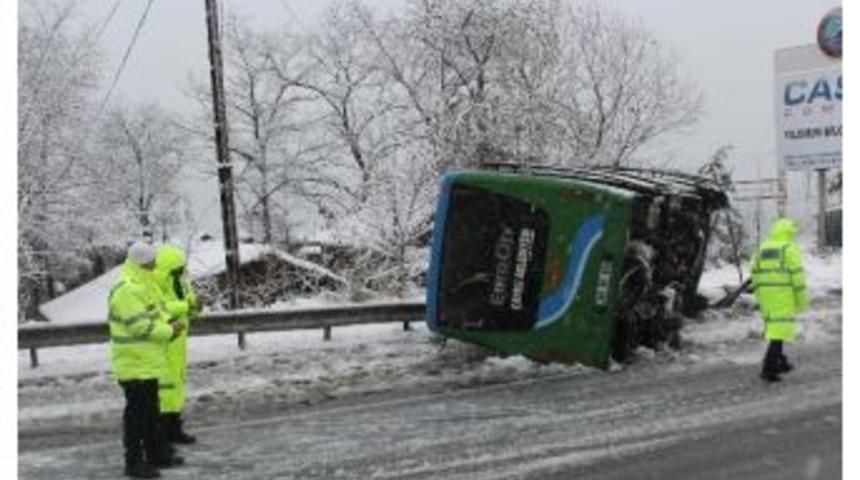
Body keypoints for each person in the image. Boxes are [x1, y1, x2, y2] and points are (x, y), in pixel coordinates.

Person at [109, 242, 186, 479]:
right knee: (137, 419)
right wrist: (169, 331)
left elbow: (158, 311)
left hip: (148, 364)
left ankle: (156, 455)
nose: (156, 264)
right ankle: (133, 463)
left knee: (151, 415)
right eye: (152, 261)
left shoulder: (145, 284)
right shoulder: (127, 289)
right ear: (142, 262)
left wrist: (171, 320)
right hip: (133, 366)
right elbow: (139, 326)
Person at [749, 218, 809, 382]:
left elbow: (753, 271)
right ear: (789, 232)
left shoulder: (763, 248)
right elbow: (797, 277)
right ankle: (768, 369)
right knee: (778, 331)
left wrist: (760, 294)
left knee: (777, 328)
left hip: (766, 296)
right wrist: (802, 302)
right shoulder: (788, 248)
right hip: (782, 294)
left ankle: (780, 361)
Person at [154, 244, 201, 445]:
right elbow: (159, 307)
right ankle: (163, 431)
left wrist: (196, 307)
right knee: (165, 388)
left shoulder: (182, 282)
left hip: (179, 341)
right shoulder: (155, 283)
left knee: (177, 386)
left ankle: (175, 428)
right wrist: (186, 305)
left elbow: (189, 307)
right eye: (176, 268)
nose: (180, 272)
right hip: (164, 341)